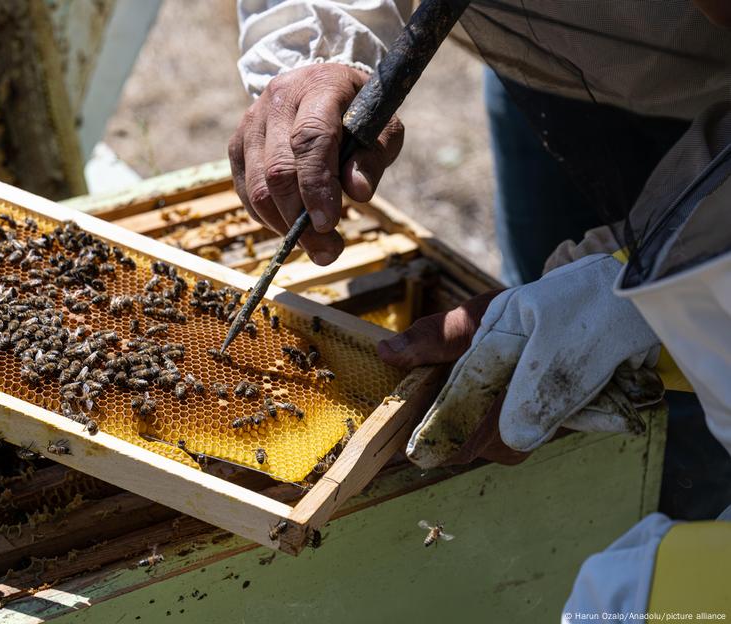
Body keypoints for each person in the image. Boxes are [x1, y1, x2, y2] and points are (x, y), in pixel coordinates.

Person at [231, 0, 731, 615]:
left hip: (715, 87)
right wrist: (317, 43)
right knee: (522, 369)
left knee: (680, 422)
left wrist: (642, 281)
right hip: (544, 58)